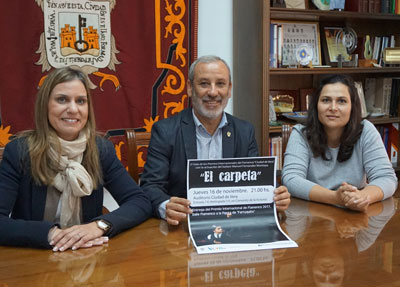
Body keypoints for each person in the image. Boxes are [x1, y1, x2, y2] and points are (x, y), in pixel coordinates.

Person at [0, 67, 152, 251]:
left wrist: (99, 226)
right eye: (62, 99)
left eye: (80, 101)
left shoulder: (100, 149)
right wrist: (51, 234)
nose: (73, 109)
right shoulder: (19, 151)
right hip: (35, 256)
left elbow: (139, 201)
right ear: (45, 105)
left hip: (87, 255)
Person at [140, 55, 291, 225]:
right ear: (190, 88)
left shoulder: (244, 131)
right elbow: (150, 187)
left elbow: (255, 184)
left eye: (220, 84)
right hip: (182, 229)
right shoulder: (165, 131)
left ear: (229, 89)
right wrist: (166, 206)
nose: (213, 92)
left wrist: (275, 198)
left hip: (232, 226)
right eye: (204, 83)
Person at [282, 74, 397, 212]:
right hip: (312, 213)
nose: (333, 108)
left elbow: (386, 178)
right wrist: (335, 198)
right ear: (316, 105)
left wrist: (361, 197)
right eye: (326, 100)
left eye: (341, 101)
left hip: (355, 213)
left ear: (352, 107)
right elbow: (291, 179)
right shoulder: (301, 133)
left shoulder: (366, 130)